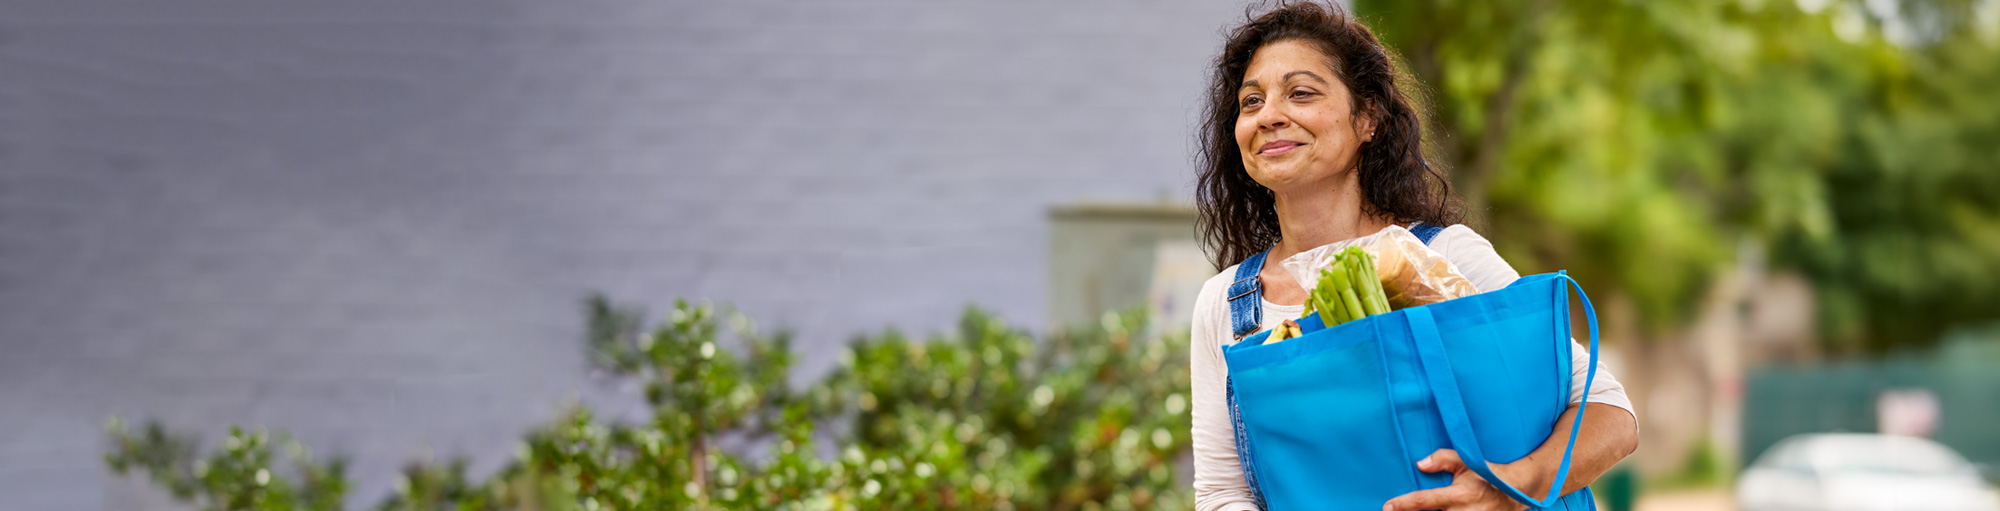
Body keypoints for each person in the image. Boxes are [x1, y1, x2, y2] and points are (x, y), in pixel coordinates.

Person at [1187, 3, 1640, 511]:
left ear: (1367, 119)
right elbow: (1223, 492)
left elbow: (1608, 410)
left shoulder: (1442, 259)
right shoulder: (1226, 304)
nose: (1269, 116)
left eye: (1301, 93)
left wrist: (1513, 488)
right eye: (1251, 102)